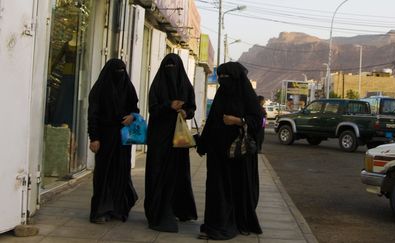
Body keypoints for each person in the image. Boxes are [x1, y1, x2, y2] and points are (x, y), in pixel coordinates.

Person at [197, 62, 263, 240]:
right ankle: (215, 225)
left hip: (238, 153)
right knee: (216, 188)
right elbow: (211, 121)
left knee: (236, 188)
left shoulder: (246, 96)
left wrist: (238, 120)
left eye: (227, 77)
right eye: (221, 77)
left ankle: (236, 222)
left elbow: (257, 120)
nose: (223, 81)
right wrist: (202, 143)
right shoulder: (221, 94)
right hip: (217, 151)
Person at [144, 53, 197, 232]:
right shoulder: (157, 85)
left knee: (177, 173)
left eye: (174, 67)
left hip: (178, 138)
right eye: (168, 67)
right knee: (157, 172)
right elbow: (153, 108)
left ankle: (177, 209)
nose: (171, 71)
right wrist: (169, 106)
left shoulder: (185, 85)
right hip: (159, 137)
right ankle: (157, 211)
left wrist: (185, 112)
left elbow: (192, 108)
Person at [87, 58, 139, 224]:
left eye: (123, 71)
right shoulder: (99, 90)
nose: (120, 74)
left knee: (121, 172)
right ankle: (100, 211)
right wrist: (94, 138)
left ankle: (118, 209)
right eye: (117, 71)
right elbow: (93, 115)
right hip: (105, 136)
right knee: (104, 173)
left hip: (123, 138)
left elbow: (135, 109)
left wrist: (132, 116)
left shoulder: (128, 87)